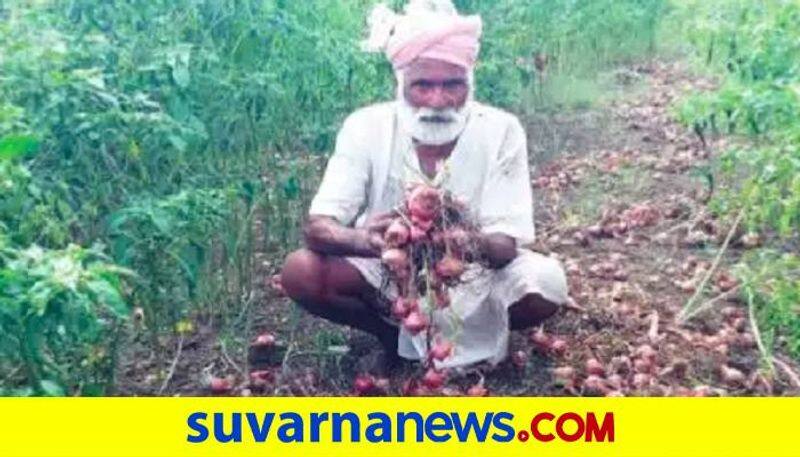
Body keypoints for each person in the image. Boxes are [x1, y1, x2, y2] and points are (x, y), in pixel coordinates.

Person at [280, 0, 568, 370]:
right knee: (301, 271)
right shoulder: (365, 126)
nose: (438, 100)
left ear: (470, 82)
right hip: (387, 269)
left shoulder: (501, 130)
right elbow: (317, 227)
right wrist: (366, 240)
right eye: (423, 86)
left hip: (471, 272)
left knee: (546, 283)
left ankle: (473, 335)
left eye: (452, 84)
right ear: (400, 84)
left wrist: (458, 240)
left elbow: (503, 246)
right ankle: (391, 337)